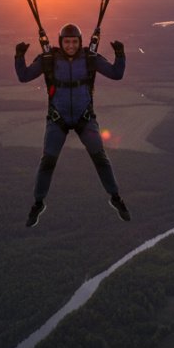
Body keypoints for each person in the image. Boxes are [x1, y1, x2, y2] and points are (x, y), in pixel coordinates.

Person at [15, 23, 130, 227]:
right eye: (67, 42)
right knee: (48, 161)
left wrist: (120, 55)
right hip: (57, 119)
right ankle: (38, 203)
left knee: (100, 158)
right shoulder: (49, 59)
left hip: (84, 118)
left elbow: (116, 74)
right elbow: (24, 76)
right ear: (60, 43)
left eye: (74, 42)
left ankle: (116, 198)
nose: (70, 46)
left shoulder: (89, 59)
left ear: (80, 42)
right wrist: (19, 56)